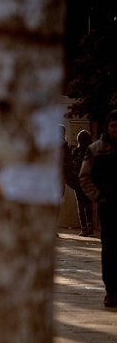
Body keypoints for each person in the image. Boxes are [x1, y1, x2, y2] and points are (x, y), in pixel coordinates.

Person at [79, 109, 117, 308]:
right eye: (113, 126)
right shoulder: (96, 149)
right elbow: (84, 176)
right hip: (108, 206)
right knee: (110, 249)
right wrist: (98, 196)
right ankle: (111, 290)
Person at [68, 129, 94, 236]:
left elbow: (71, 166)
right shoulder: (92, 151)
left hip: (78, 182)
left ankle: (83, 229)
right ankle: (90, 226)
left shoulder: (75, 151)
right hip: (88, 181)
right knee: (88, 204)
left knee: (80, 204)